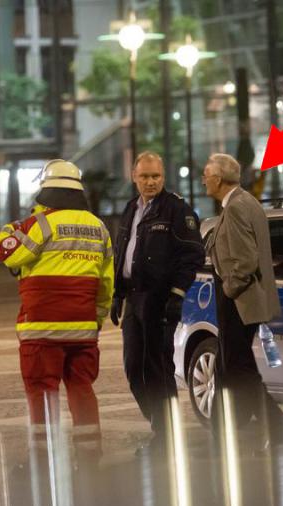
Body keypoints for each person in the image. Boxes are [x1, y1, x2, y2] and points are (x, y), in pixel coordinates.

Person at [0, 159, 114, 461]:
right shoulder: (98, 227)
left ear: (45, 190)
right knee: (82, 389)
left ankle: (43, 459)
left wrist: (10, 229)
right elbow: (106, 282)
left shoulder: (41, 224)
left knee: (41, 392)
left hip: (42, 328)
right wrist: (97, 318)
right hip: (83, 327)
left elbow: (8, 254)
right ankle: (90, 456)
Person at [110, 151, 204, 451]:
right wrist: (117, 294)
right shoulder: (130, 209)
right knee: (133, 367)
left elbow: (192, 257)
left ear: (163, 177)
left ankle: (167, 435)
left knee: (158, 368)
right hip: (134, 297)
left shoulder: (177, 209)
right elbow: (122, 252)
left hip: (159, 299)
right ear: (133, 177)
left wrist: (176, 295)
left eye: (156, 176)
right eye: (144, 176)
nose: (150, 182)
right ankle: (159, 424)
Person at [202, 153, 283, 446]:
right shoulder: (245, 202)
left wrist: (229, 287)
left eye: (206, 175)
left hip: (239, 299)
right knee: (231, 364)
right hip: (243, 298)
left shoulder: (237, 206)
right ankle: (224, 425)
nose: (204, 180)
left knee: (238, 366)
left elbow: (246, 259)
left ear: (219, 179)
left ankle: (275, 423)